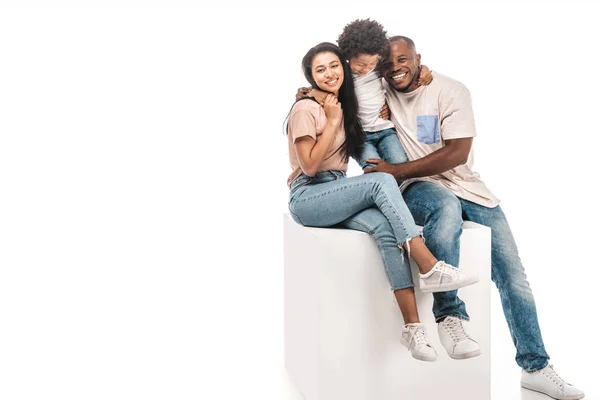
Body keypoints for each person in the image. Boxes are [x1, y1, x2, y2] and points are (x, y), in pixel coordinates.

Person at [363, 35, 584, 400]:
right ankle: (450, 315)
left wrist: (395, 169)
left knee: (514, 277)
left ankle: (536, 368)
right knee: (444, 207)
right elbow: (341, 80)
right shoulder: (380, 91)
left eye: (402, 59)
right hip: (419, 188)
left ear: (419, 58)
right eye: (386, 64)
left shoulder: (451, 90)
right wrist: (308, 94)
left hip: (469, 187)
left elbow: (457, 153)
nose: (395, 68)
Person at [286, 41, 479, 362]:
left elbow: (392, 72)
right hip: (309, 196)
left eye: (335, 66)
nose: (329, 73)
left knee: (386, 230)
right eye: (320, 69)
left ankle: (413, 329)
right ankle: (429, 265)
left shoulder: (343, 103)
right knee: (380, 180)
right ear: (310, 75)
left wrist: (425, 74)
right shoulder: (307, 108)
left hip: (336, 191)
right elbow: (308, 166)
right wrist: (332, 119)